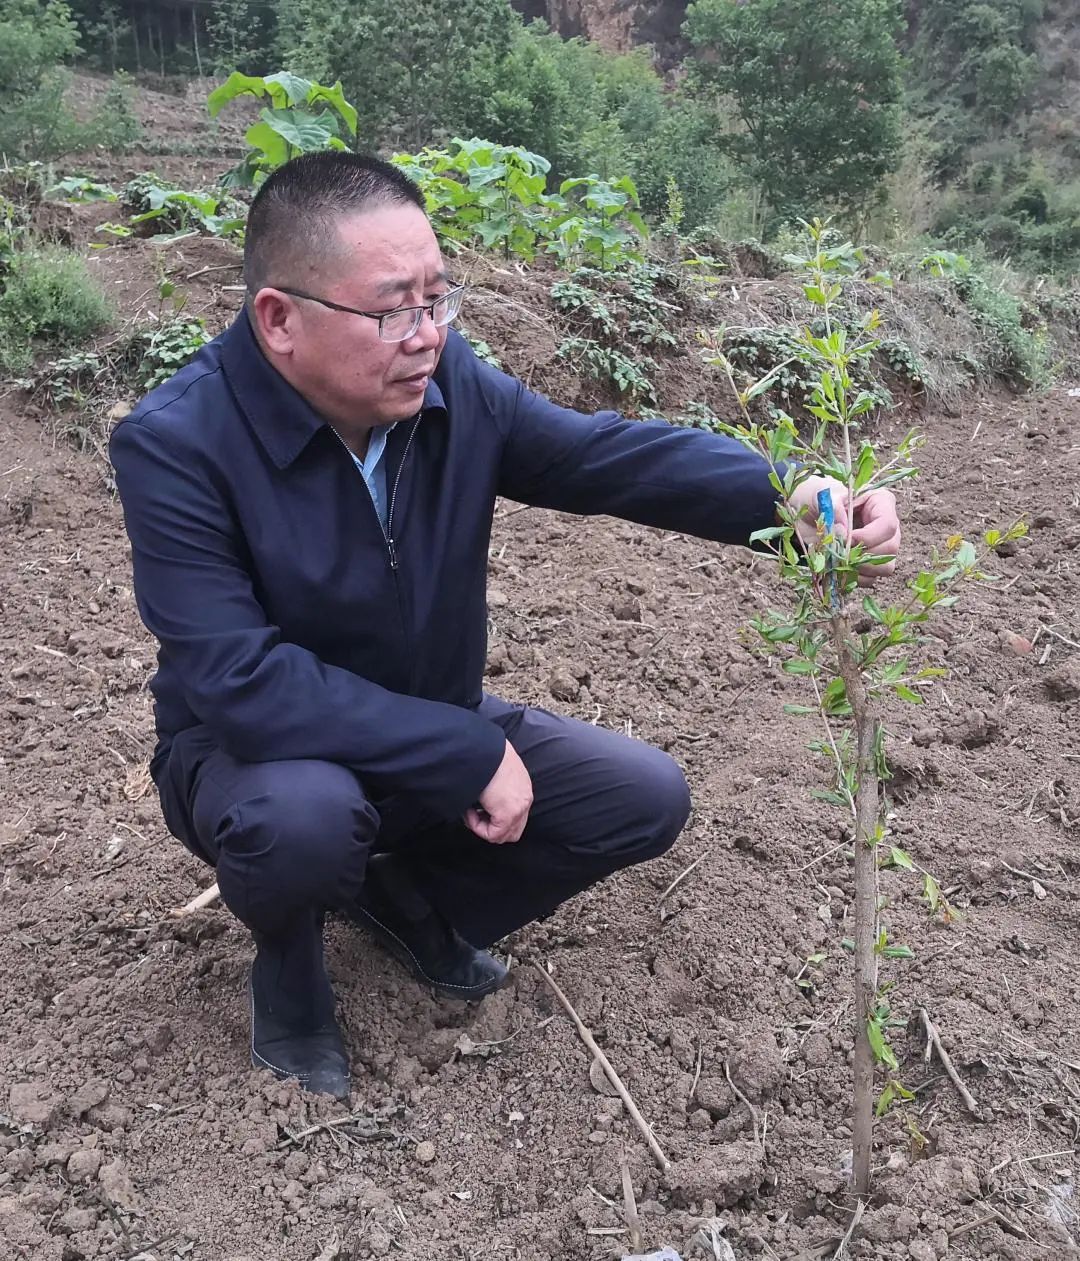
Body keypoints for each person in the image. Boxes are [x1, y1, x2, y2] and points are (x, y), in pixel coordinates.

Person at [110, 152, 901, 1100]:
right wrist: (461, 749)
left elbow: (607, 458)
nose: (426, 334)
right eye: (395, 308)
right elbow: (239, 680)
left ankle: (405, 899)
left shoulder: (453, 390)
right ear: (280, 319)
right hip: (251, 757)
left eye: (440, 300)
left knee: (642, 798)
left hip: (422, 720)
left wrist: (791, 495)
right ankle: (289, 968)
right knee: (306, 820)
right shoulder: (178, 442)